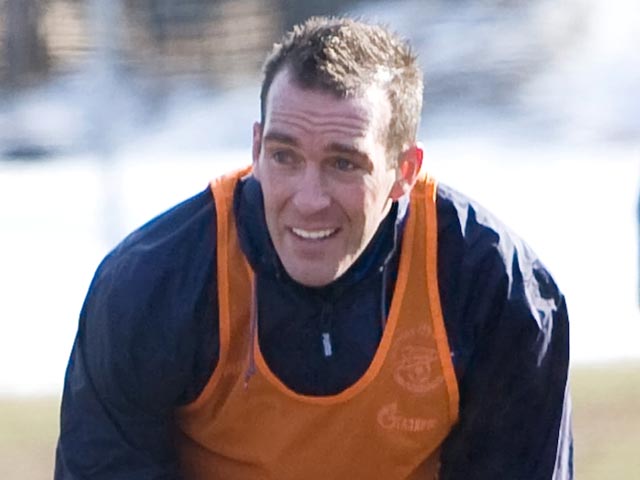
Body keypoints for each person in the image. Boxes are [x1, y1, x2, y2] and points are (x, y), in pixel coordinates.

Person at [55, 16, 572, 479]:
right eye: (284, 156)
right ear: (256, 148)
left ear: (405, 171)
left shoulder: (495, 288)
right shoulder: (153, 285)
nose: (308, 200)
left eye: (344, 164)